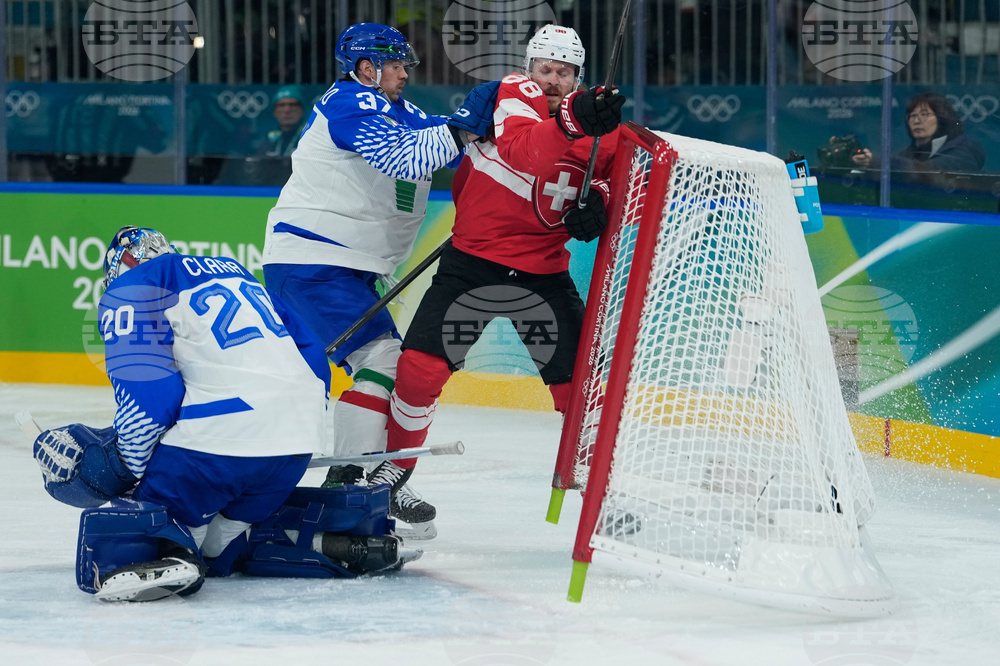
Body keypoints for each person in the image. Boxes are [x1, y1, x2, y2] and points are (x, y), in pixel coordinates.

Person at [31, 226, 404, 602]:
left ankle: (171, 550)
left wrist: (118, 466)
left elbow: (151, 402)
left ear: (123, 264)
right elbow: (313, 361)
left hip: (218, 445)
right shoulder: (234, 271)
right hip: (295, 444)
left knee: (147, 529)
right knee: (221, 548)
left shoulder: (132, 287)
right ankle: (322, 541)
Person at [260, 23, 498, 538]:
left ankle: (368, 477)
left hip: (342, 266)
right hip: (312, 260)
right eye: (395, 65)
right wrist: (466, 126)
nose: (405, 72)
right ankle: (354, 481)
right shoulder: (349, 103)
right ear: (366, 68)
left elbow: (445, 136)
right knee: (385, 359)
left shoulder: (399, 110)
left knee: (386, 362)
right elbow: (406, 155)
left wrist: (514, 114)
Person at [372, 25, 625, 503]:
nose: (552, 79)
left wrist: (601, 202)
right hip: (473, 266)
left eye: (565, 72)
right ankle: (394, 472)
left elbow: (623, 183)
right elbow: (523, 149)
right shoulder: (513, 93)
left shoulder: (602, 130)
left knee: (579, 390)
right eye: (545, 69)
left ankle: (598, 487)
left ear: (578, 76)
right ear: (531, 69)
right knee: (419, 371)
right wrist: (574, 118)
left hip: (543, 277)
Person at [850, 92, 986, 178]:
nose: (917, 120)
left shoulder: (964, 149)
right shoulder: (910, 152)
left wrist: (881, 162)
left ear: (943, 118)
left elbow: (929, 172)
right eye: (912, 116)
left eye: (924, 114)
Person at [261, 85, 308, 157]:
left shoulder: (310, 137)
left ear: (301, 111)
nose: (287, 110)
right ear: (274, 112)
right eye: (281, 105)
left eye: (293, 105)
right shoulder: (269, 140)